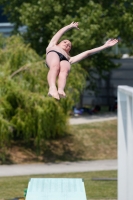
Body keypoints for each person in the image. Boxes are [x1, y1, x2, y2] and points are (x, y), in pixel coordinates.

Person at [46, 22, 118, 100]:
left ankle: (60, 89)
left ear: (69, 50)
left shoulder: (69, 58)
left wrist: (104, 46)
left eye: (69, 45)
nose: (67, 44)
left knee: (65, 70)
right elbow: (59, 32)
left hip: (65, 60)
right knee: (55, 66)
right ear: (58, 43)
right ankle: (52, 88)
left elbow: (87, 53)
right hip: (53, 54)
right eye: (65, 42)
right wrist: (69, 26)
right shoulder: (53, 45)